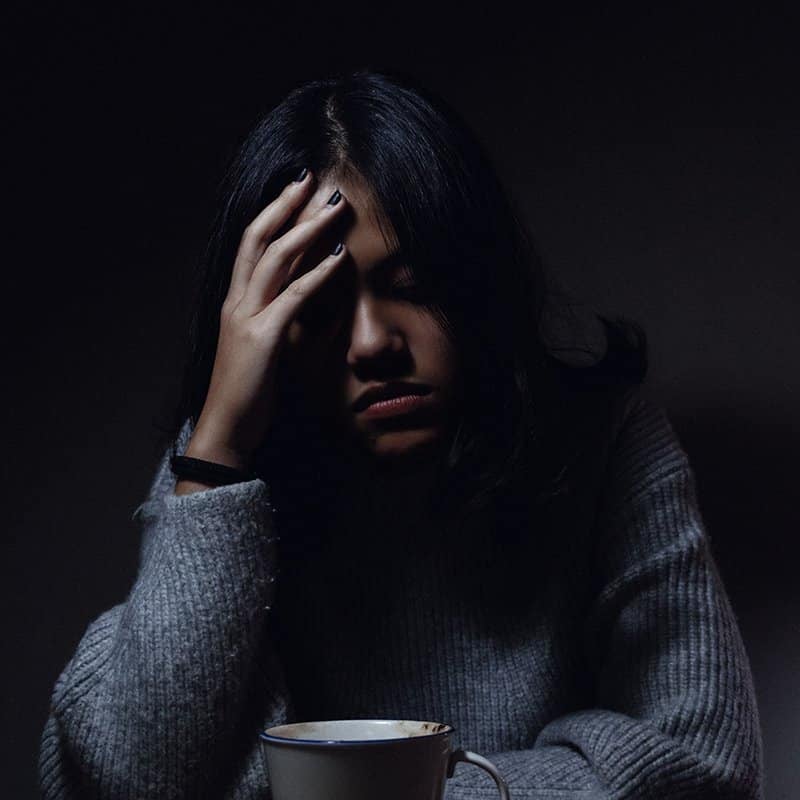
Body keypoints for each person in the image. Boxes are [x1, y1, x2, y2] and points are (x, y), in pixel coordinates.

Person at [39, 68, 764, 799]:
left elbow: (708, 767)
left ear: (479, 280)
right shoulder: (225, 470)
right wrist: (218, 448)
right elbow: (139, 777)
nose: (372, 342)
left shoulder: (604, 442)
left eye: (413, 285)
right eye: (317, 304)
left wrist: (348, 787)